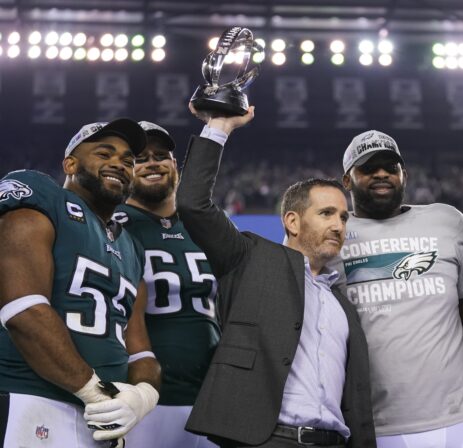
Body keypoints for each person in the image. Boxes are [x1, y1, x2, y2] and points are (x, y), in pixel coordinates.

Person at [176, 104, 376, 448]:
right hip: (266, 439)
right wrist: (220, 126)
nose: (338, 225)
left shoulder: (342, 303)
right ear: (292, 221)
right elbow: (194, 204)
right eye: (326, 213)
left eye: (344, 217)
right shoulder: (249, 259)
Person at [329, 129, 463, 448]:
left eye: (390, 167)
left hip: (462, 418)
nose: (381, 173)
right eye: (368, 168)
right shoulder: (334, 235)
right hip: (376, 427)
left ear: (404, 175)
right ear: (347, 180)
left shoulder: (447, 221)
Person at [0, 119, 161, 447]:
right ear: (70, 163)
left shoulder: (131, 246)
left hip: (99, 420)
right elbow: (22, 310)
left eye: (129, 161)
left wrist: (141, 397)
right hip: (31, 399)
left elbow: (140, 348)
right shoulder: (42, 196)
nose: (119, 163)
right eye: (105, 153)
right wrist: (95, 393)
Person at [114, 121, 220, 448]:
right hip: (145, 400)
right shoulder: (111, 226)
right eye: (140, 158)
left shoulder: (206, 227)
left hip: (212, 401)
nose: (152, 163)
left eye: (161, 155)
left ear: (175, 165)